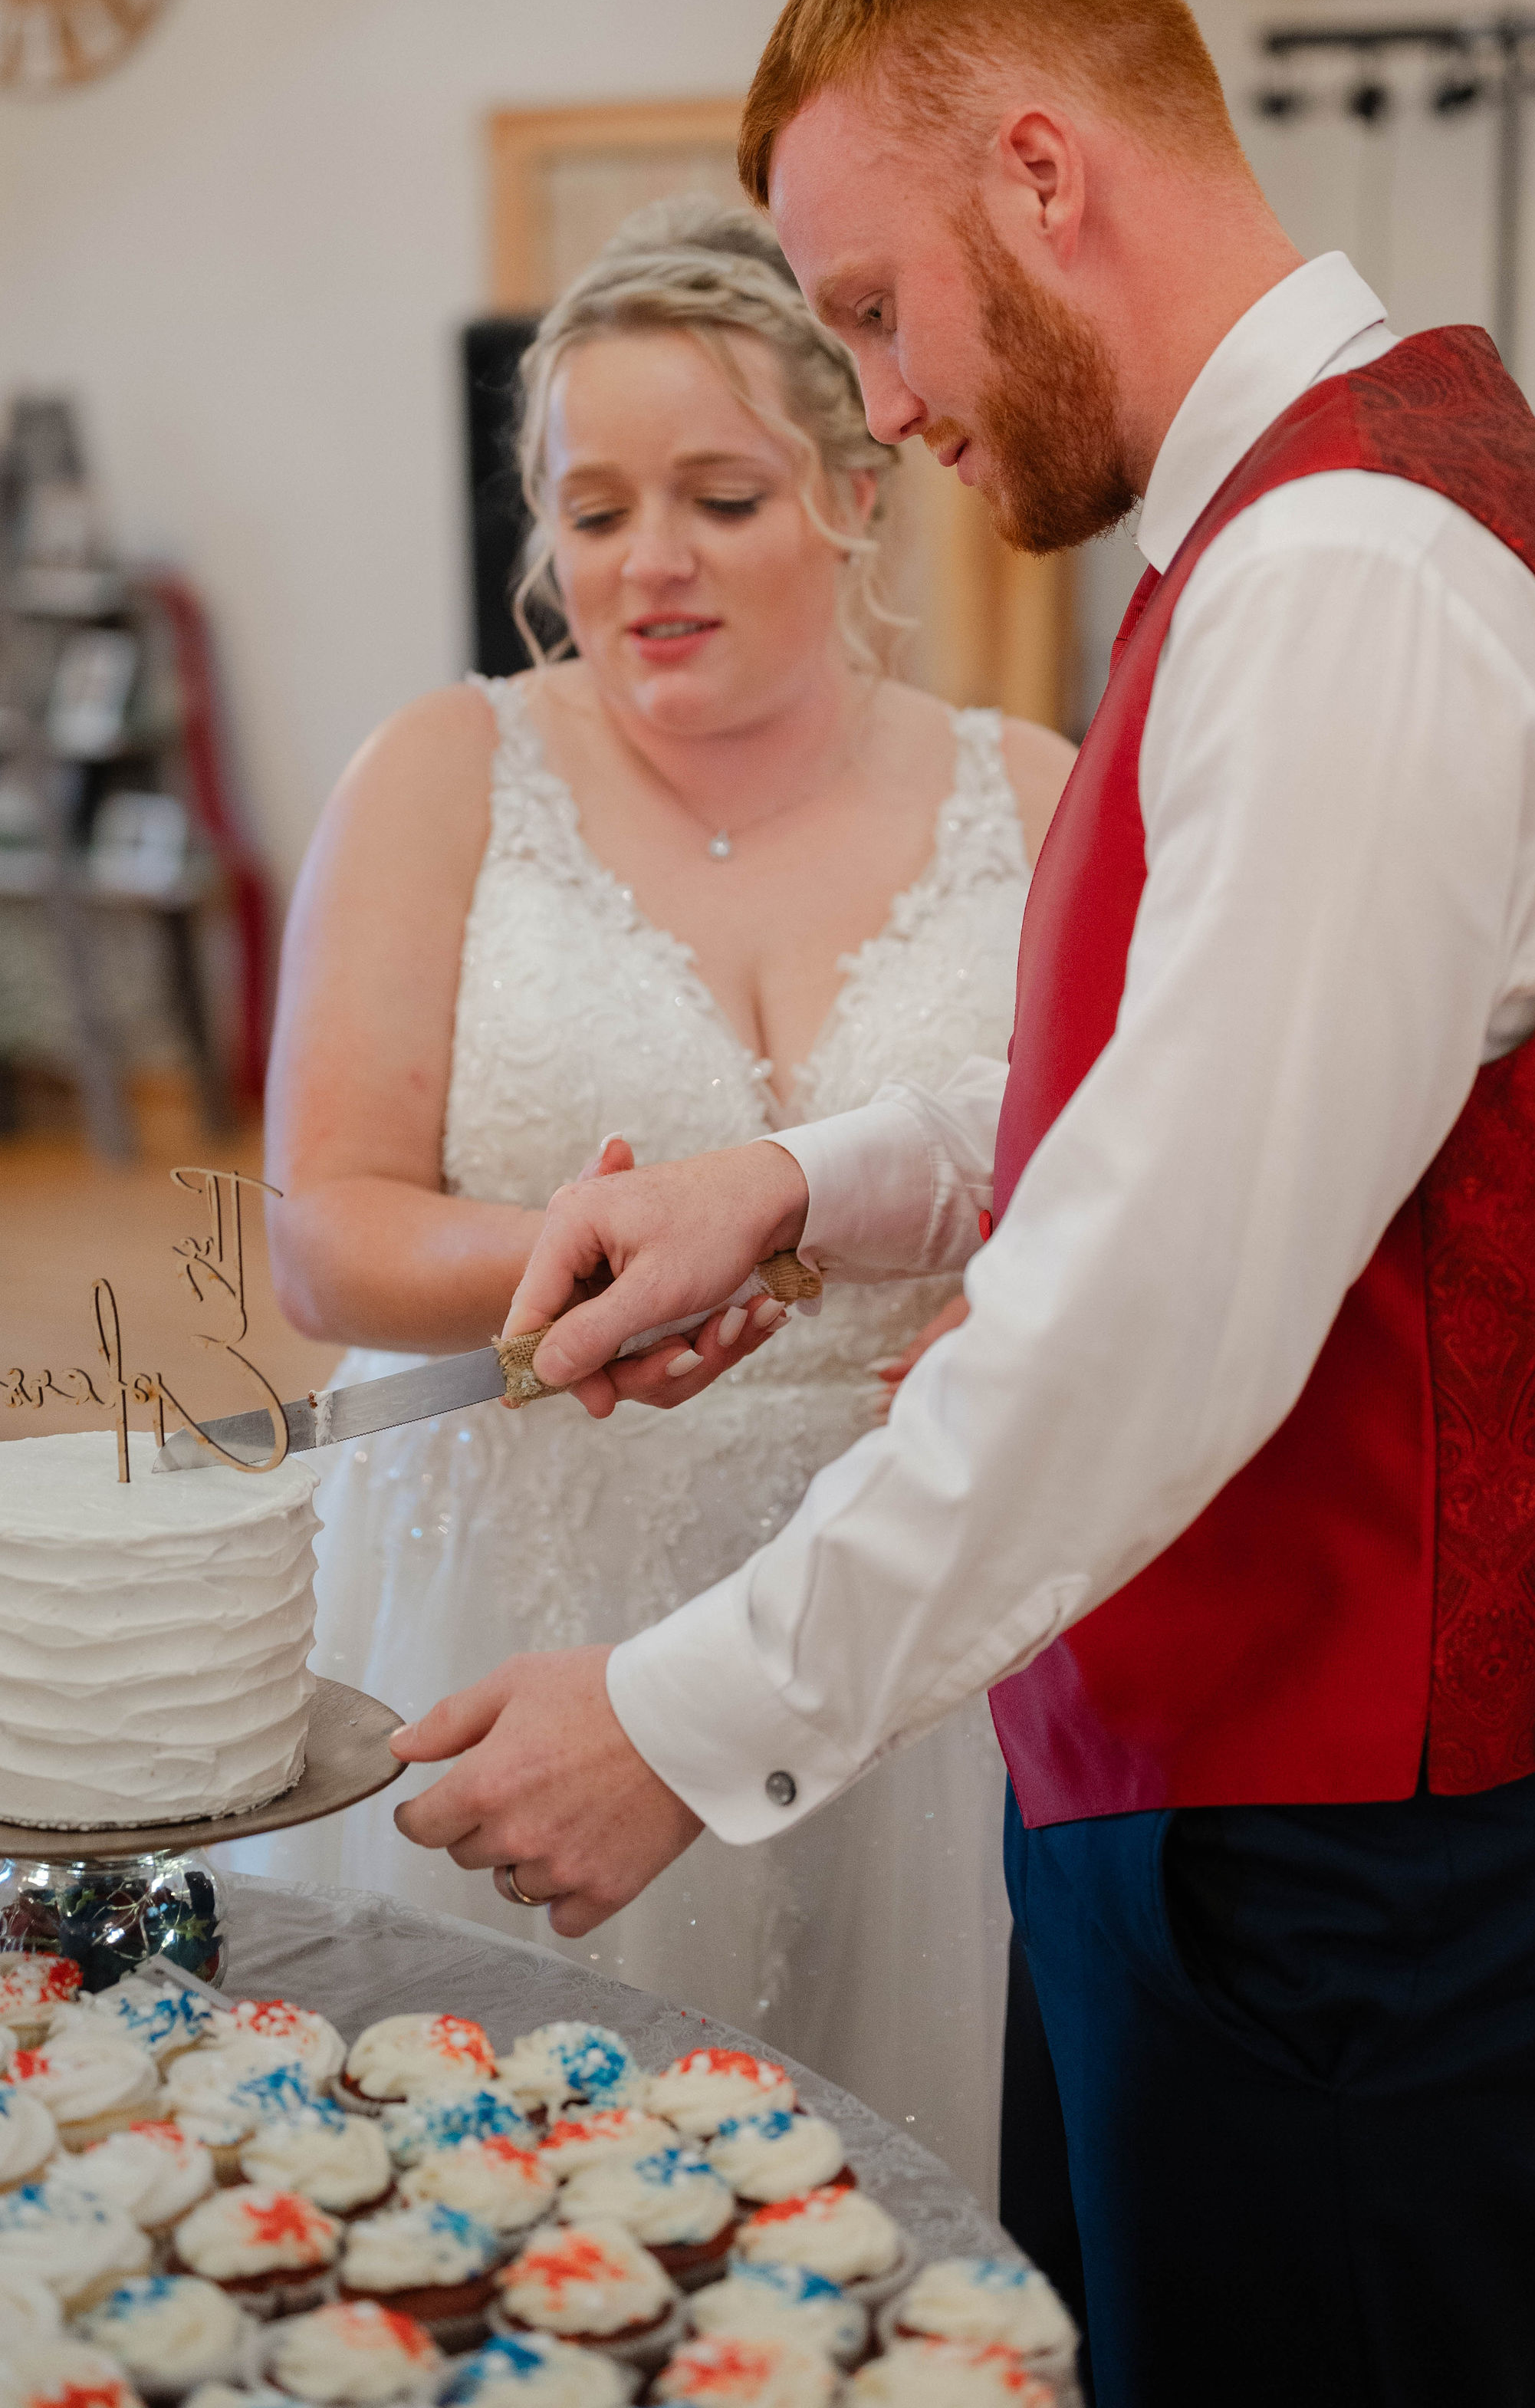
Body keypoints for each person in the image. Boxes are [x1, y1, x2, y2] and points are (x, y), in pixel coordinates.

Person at [386, 0, 1535, 2408]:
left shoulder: (1350, 579)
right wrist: (802, 1184)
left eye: (866, 306)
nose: (878, 404)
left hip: (1331, 1859)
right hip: (1192, 1789)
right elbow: (1186, 1069)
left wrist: (680, 1718)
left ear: (1044, 177)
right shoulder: (1277, 531)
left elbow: (1156, 1293)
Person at [251, 195, 1073, 2202]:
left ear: (855, 493)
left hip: (893, 1620)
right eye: (594, 510)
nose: (649, 565)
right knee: (489, 2189)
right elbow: (324, 1225)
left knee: (866, 2205)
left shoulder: (1034, 796)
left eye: (717, 495)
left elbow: (1106, 1176)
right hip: (511, 1578)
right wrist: (551, 1265)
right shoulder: (445, 773)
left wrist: (1012, 1304)